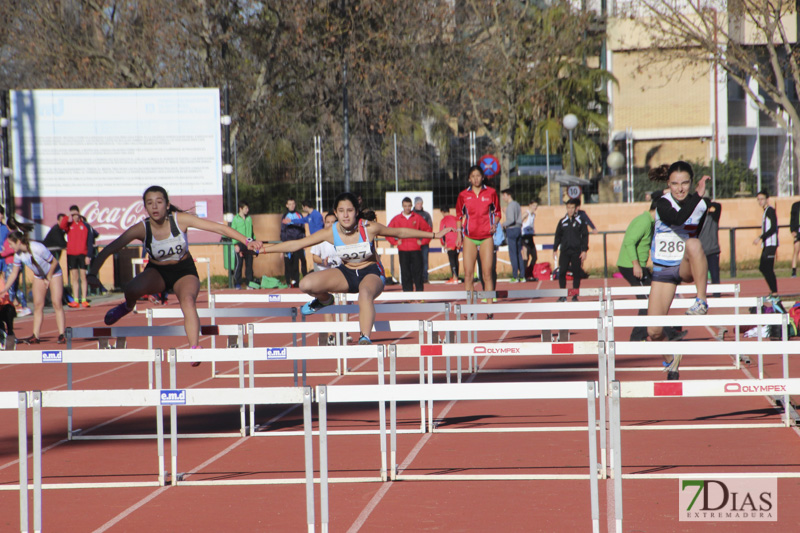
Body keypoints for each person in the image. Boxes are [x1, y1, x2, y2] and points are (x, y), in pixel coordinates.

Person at [258, 192, 452, 344]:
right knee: (306, 284)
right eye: (341, 211)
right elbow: (296, 244)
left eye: (350, 210)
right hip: (347, 273)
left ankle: (364, 337)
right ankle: (325, 300)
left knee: (364, 293)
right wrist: (264, 249)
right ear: (335, 212)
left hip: (371, 273)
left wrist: (434, 235)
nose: (345, 215)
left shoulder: (368, 228)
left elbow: (399, 231)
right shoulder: (330, 232)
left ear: (356, 211)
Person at [87, 186, 261, 352]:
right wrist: (92, 273)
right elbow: (111, 248)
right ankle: (127, 306)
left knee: (187, 301)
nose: (155, 206)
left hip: (183, 271)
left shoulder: (179, 220)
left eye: (159, 202)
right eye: (149, 203)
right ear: (145, 207)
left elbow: (219, 227)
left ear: (167, 205)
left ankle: (194, 347)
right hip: (157, 272)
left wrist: (248, 241)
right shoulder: (142, 228)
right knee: (132, 289)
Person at [646, 161, 711, 380]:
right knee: (653, 332)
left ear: (691, 182)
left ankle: (701, 300)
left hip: (684, 266)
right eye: (675, 184)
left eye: (684, 183)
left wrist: (698, 199)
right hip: (664, 269)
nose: (680, 188)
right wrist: (696, 196)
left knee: (692, 243)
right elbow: (678, 218)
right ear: (668, 184)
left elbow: (696, 231)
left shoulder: (702, 205)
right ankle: (671, 357)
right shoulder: (662, 203)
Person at [616, 191, 685, 342]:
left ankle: (659, 333)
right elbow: (629, 242)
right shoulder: (644, 222)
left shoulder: (650, 222)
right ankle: (641, 336)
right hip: (631, 266)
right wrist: (636, 265)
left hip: (638, 266)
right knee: (649, 301)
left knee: (652, 300)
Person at [1, 229, 66, 344]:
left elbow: (54, 262)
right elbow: (14, 273)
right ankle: (35, 335)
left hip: (53, 272)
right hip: (39, 275)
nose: (10, 247)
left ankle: (62, 334)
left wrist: (49, 277)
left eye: (11, 244)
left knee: (56, 302)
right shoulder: (18, 255)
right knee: (38, 305)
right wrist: (4, 289)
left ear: (18, 242)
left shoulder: (37, 247)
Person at [455, 165, 501, 296]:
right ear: (469, 179)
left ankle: (490, 309)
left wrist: (495, 224)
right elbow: (459, 215)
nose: (476, 179)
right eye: (473, 176)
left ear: (483, 177)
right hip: (470, 237)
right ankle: (470, 309)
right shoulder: (463, 195)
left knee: (487, 273)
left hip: (486, 237)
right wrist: (459, 234)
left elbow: (497, 213)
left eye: (478, 176)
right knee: (468, 274)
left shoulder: (491, 193)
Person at [387, 197, 431, 292]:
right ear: (402, 206)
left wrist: (422, 242)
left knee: (418, 273)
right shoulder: (397, 219)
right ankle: (407, 296)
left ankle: (419, 295)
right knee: (405, 273)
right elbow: (388, 231)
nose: (407, 208)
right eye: (405, 206)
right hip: (403, 250)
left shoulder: (417, 218)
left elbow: (428, 230)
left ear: (411, 206)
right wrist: (394, 242)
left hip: (415, 250)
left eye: (409, 206)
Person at [310, 212, 341, 345]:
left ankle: (344, 331)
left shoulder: (342, 237)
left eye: (333, 222)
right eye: (328, 222)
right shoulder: (320, 237)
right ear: (324, 223)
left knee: (343, 304)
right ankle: (331, 335)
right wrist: (323, 261)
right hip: (324, 276)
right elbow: (314, 257)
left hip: (339, 275)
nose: (330, 224)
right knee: (327, 304)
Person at [553, 198, 588, 302]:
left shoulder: (580, 221)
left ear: (576, 209)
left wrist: (584, 250)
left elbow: (585, 236)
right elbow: (557, 236)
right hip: (565, 251)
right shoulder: (562, 221)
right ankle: (563, 295)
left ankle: (574, 295)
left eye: (572, 208)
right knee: (562, 272)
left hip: (576, 252)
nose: (570, 210)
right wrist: (555, 249)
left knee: (576, 273)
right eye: (569, 208)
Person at [60, 205, 91, 308]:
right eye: (73, 215)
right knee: (74, 277)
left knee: (83, 276)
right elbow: (62, 226)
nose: (74, 217)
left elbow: (90, 241)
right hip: (72, 254)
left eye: (76, 214)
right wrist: (68, 215)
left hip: (83, 253)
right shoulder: (69, 225)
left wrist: (88, 255)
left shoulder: (85, 226)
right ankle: (76, 299)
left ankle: (84, 299)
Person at [754, 190, 779, 303]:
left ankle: (775, 293)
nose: (760, 201)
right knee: (762, 267)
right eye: (758, 199)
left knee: (767, 268)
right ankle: (773, 291)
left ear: (767, 199)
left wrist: (761, 237)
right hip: (766, 244)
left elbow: (773, 227)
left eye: (762, 199)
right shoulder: (765, 212)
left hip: (771, 244)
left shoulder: (770, 211)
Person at [280, 198, 306, 288]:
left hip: (298, 243)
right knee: (288, 264)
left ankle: (297, 283)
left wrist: (304, 241)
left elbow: (303, 228)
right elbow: (283, 231)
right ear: (286, 205)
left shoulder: (299, 215)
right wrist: (283, 245)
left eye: (293, 204)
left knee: (297, 264)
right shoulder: (285, 216)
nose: (292, 206)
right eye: (290, 204)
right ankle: (288, 282)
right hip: (288, 244)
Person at [231, 201, 256, 289]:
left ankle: (249, 283)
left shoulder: (249, 218)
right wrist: (235, 245)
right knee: (239, 264)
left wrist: (254, 241)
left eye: (248, 208)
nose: (247, 210)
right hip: (239, 243)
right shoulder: (236, 219)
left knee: (249, 264)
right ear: (240, 208)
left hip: (249, 243)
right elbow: (232, 232)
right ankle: (237, 283)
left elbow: (252, 231)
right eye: (245, 208)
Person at [698, 198, 722, 288]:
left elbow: (718, 206)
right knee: (700, 275)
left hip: (713, 251)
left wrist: (709, 204)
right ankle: (701, 295)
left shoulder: (713, 217)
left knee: (715, 275)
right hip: (701, 252)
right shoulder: (697, 218)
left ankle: (717, 295)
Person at [501, 189, 523, 282]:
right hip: (518, 229)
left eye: (504, 195)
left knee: (513, 254)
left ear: (508, 195)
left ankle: (515, 276)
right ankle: (522, 275)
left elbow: (511, 220)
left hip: (512, 229)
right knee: (518, 253)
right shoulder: (517, 204)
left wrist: (502, 224)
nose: (503, 197)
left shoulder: (510, 206)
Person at [413, 197, 433, 283]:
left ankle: (425, 277)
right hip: (413, 243)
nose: (419, 205)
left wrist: (423, 241)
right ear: (414, 204)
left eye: (421, 203)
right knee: (414, 261)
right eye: (418, 203)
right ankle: (414, 277)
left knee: (424, 261)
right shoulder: (412, 215)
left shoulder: (426, 215)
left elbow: (430, 229)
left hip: (424, 243)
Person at [439, 206, 460, 283]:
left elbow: (441, 232)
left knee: (452, 260)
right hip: (458, 241)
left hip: (450, 242)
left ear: (442, 212)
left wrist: (443, 243)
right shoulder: (455, 218)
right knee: (456, 259)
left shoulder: (443, 220)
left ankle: (454, 278)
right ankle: (456, 276)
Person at [521, 200, 538, 281]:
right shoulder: (526, 213)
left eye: (536, 205)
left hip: (530, 237)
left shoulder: (533, 215)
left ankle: (528, 272)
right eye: (534, 205)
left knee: (534, 257)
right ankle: (523, 274)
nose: (535, 207)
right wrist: (522, 229)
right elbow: (519, 220)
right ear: (530, 205)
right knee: (526, 256)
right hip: (525, 237)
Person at [791, 199, 800, 277]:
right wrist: (792, 230)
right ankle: (794, 271)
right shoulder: (796, 205)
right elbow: (792, 219)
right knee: (796, 250)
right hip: (798, 231)